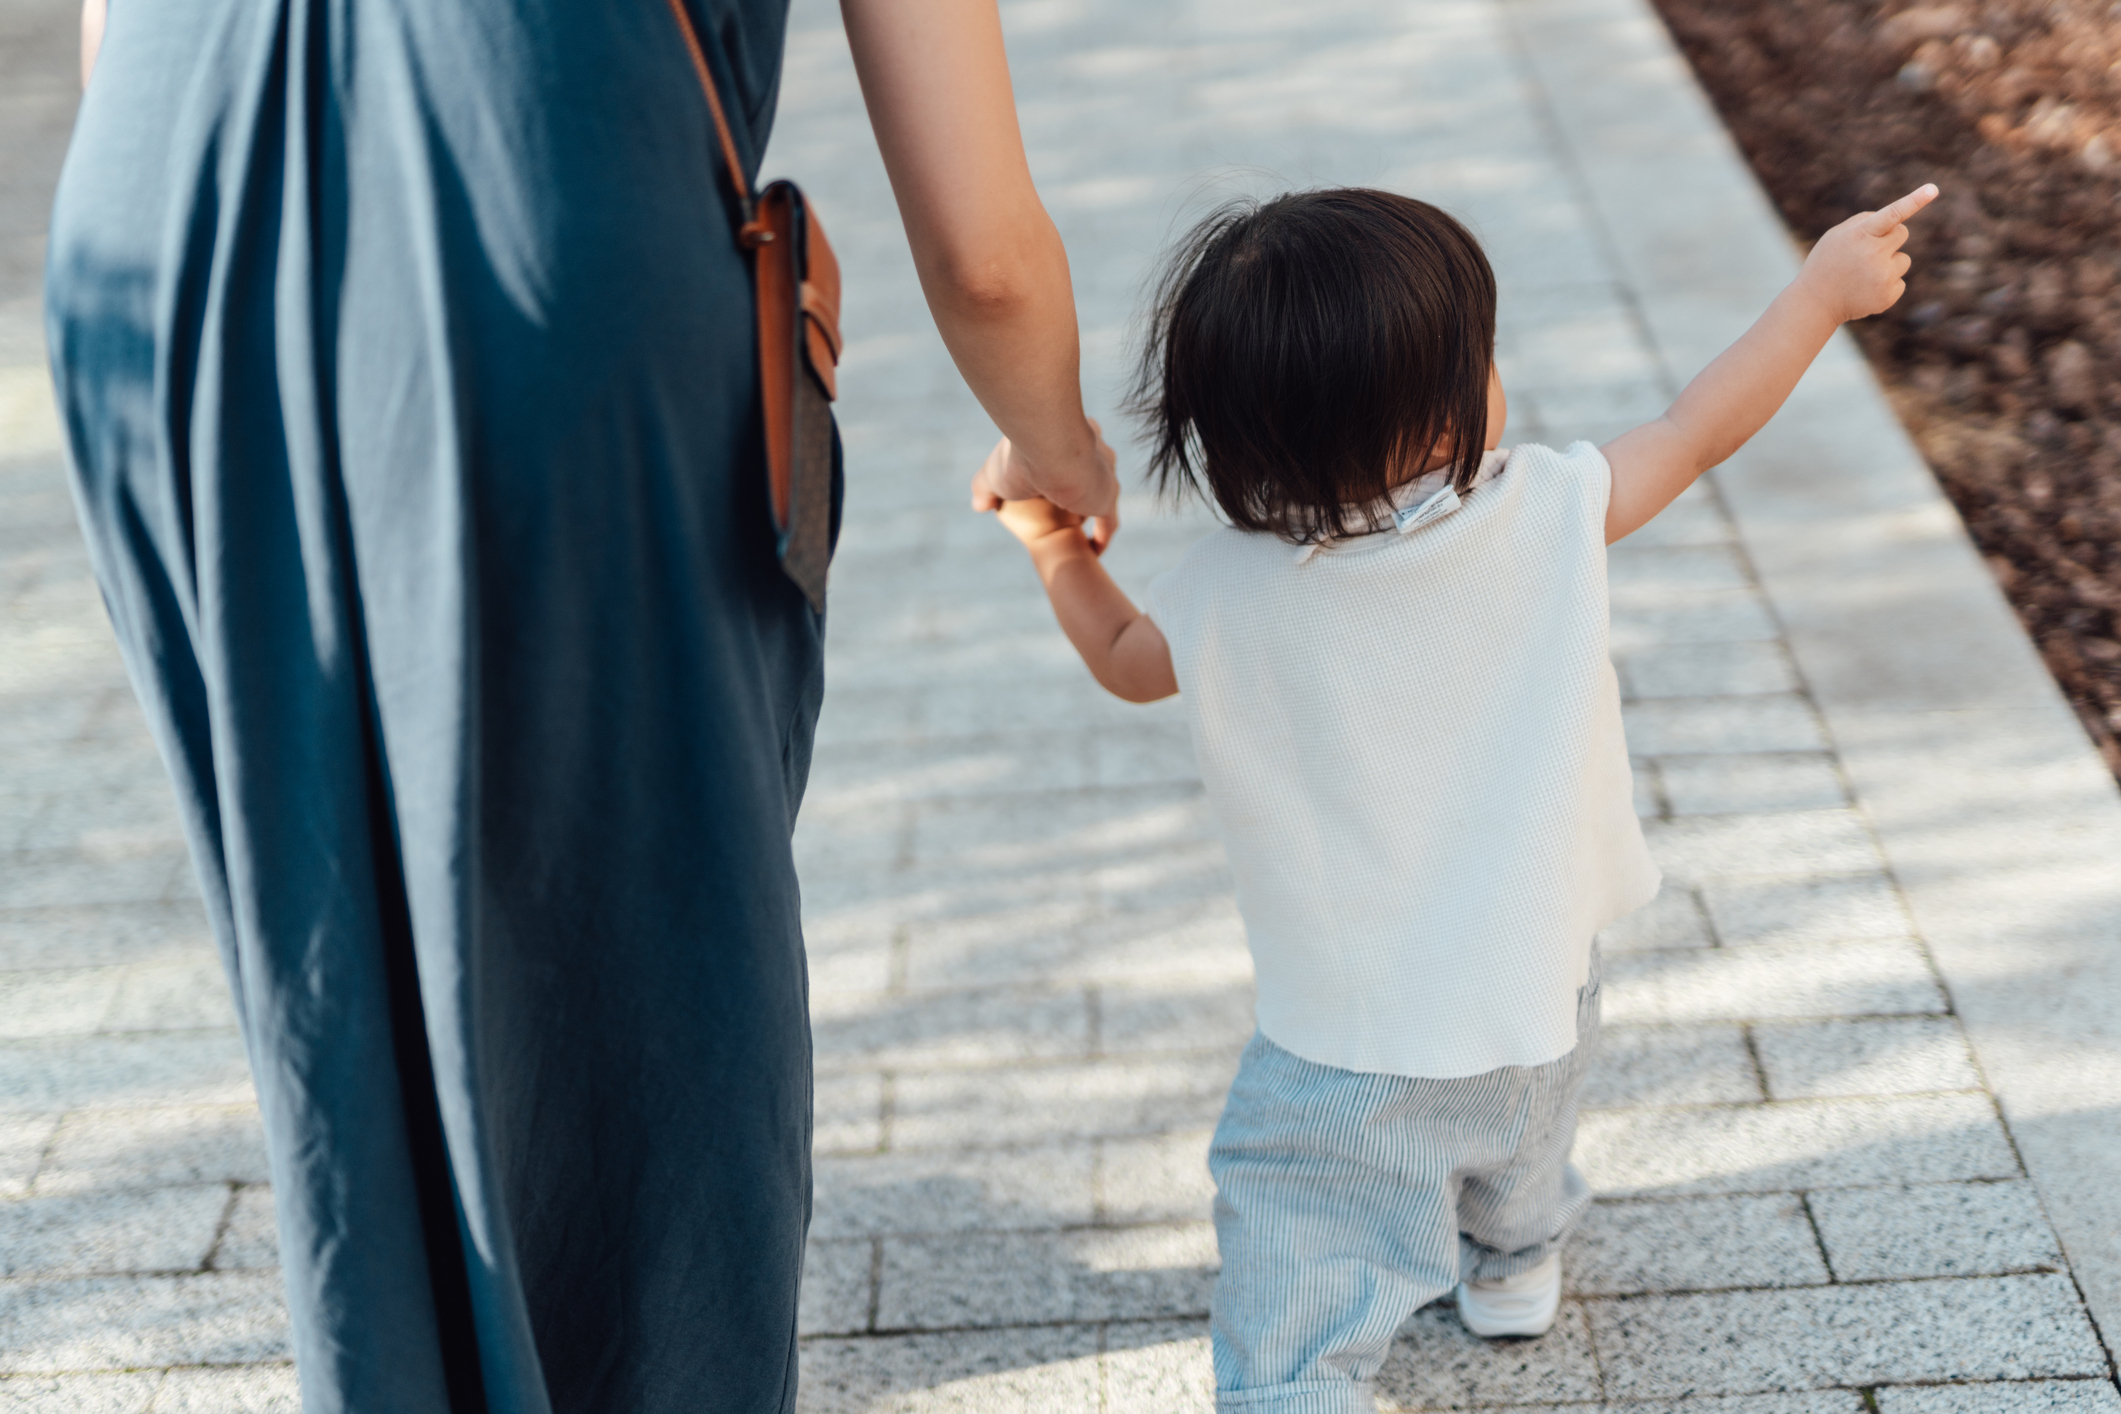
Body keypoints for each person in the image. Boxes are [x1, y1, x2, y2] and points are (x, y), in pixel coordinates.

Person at [47, 0, 1115, 1409]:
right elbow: (982, 255)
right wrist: (1059, 442)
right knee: (661, 996)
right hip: (536, 202)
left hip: (154, 232)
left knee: (346, 971)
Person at [986, 180, 1937, 1412]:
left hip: (1352, 1041)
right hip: (1542, 977)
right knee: (1522, 1149)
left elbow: (1125, 666)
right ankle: (1515, 1261)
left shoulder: (1226, 587)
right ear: (1445, 421)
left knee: (1305, 1222)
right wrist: (1816, 296)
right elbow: (1702, 426)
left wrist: (1055, 547)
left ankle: (1295, 1385)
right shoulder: (1545, 511)